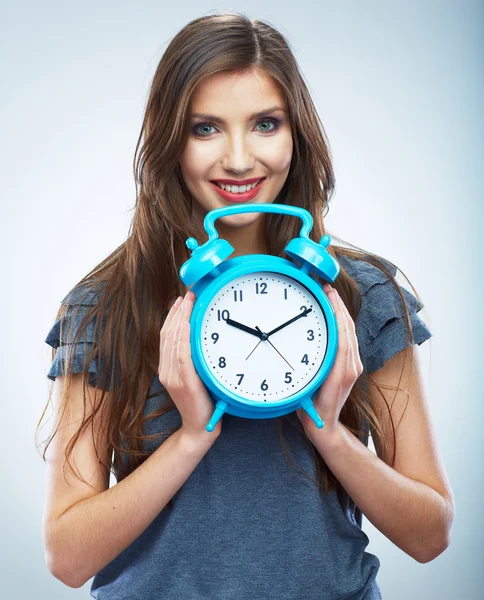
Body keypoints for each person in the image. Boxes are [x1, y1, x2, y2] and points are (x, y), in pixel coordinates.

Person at [38, 12, 455, 600]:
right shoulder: (108, 305)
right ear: (170, 141)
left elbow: (430, 535)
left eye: (265, 124)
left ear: (296, 133)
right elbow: (67, 556)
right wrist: (190, 436)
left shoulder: (362, 295)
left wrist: (329, 430)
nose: (238, 159)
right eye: (205, 128)